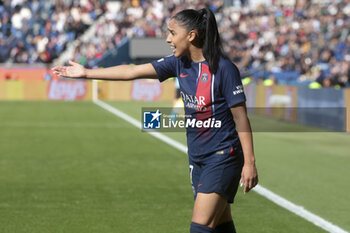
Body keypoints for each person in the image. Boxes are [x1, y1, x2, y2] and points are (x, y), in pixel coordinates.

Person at [52, 7, 258, 233]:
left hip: (222, 156)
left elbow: (241, 118)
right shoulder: (179, 63)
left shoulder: (224, 69)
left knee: (200, 227)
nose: (168, 39)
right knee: (220, 224)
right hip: (197, 156)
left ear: (191, 36)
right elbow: (131, 72)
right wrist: (87, 73)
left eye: (172, 33)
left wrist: (249, 163)